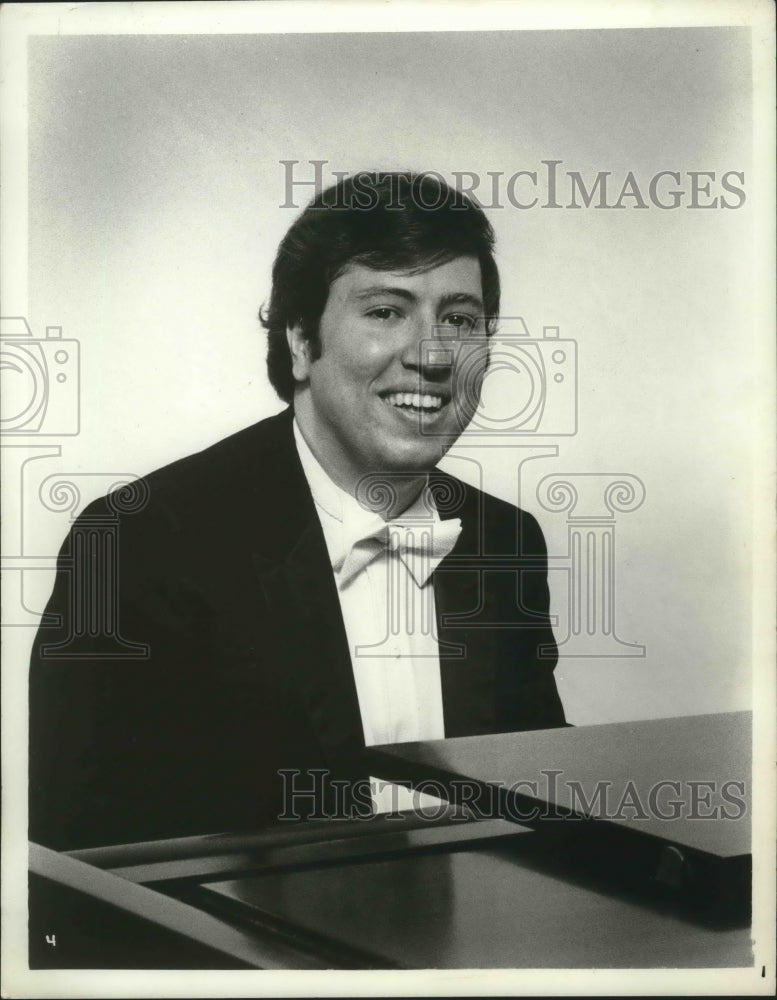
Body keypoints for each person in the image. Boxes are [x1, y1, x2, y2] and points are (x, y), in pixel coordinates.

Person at [28, 172, 567, 851]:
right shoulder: (139, 544)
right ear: (299, 341)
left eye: (458, 320)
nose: (432, 356)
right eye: (384, 311)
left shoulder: (505, 539)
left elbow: (537, 801)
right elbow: (77, 861)